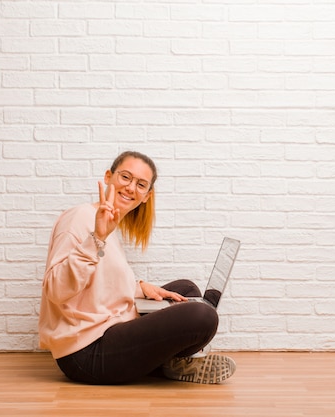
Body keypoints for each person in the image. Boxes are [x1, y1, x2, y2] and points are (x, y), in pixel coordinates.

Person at [38, 150, 236, 385]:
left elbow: (100, 281)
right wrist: (96, 238)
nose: (131, 188)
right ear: (109, 176)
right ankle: (171, 364)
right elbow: (56, 291)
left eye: (140, 184)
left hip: (111, 327)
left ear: (146, 196)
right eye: (125, 177)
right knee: (203, 316)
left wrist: (139, 287)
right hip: (86, 351)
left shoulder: (109, 225)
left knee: (186, 290)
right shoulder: (80, 218)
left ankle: (168, 364)